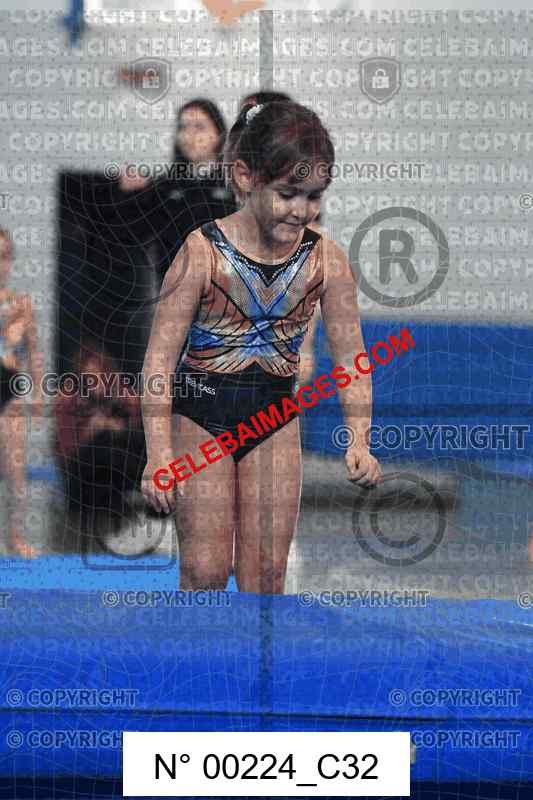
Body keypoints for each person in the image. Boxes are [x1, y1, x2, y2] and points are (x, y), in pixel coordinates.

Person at [141, 99, 382, 594]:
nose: (302, 210)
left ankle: (257, 649)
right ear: (245, 177)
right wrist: (158, 453)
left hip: (274, 420)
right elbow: (159, 361)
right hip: (201, 417)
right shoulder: (201, 252)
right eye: (288, 193)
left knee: (266, 575)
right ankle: (200, 645)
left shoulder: (326, 261)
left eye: (314, 196)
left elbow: (352, 359)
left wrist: (359, 436)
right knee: (204, 571)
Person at [114, 97, 238, 287]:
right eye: (183, 127)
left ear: (219, 134)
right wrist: (131, 194)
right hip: (174, 287)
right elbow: (132, 233)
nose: (189, 135)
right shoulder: (165, 184)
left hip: (225, 286)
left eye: (199, 127)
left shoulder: (236, 183)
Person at [54, 339, 146, 537]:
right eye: (90, 378)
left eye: (99, 377)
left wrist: (117, 422)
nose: (95, 383)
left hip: (114, 471)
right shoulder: (69, 399)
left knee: (133, 441)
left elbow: (137, 419)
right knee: (105, 445)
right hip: (82, 473)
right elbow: (67, 450)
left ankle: (143, 487)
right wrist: (94, 428)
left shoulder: (119, 394)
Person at [0, 228, 45, 557]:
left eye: (4, 256)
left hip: (9, 389)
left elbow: (34, 352)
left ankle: (15, 536)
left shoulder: (21, 305)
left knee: (15, 469)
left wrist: (39, 392)